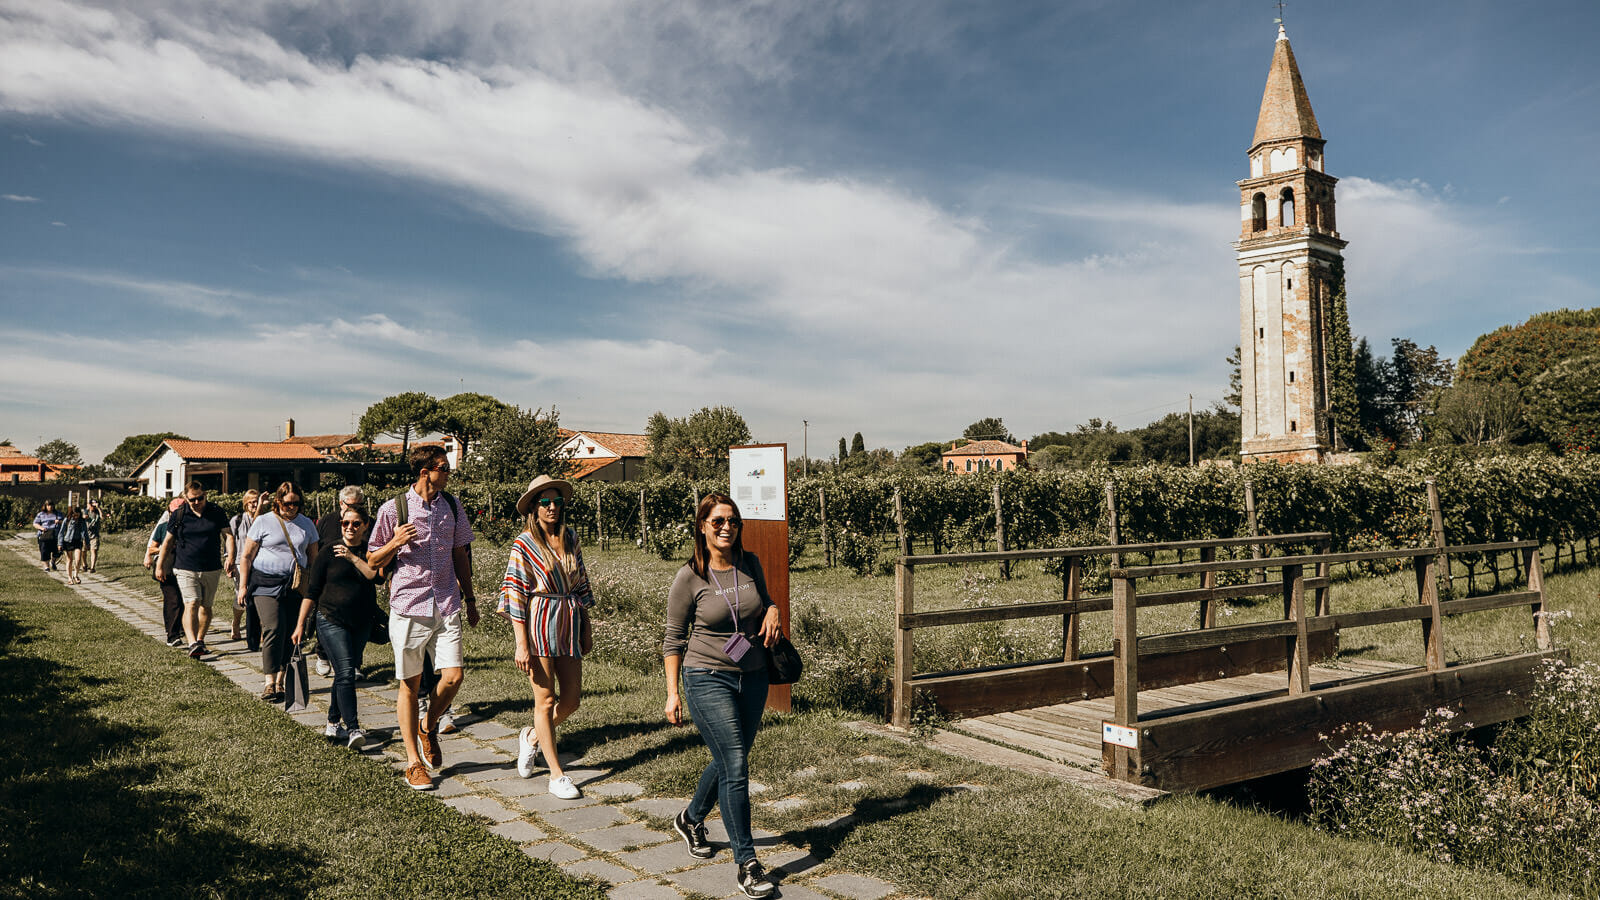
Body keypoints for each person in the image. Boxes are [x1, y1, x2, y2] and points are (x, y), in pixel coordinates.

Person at [662, 494, 784, 899]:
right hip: (706, 676)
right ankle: (747, 863)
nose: (726, 527)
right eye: (717, 521)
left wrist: (773, 611)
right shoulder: (689, 577)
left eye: (732, 521)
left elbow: (764, 601)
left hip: (752, 676)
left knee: (731, 760)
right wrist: (672, 693)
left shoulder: (749, 564)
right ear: (702, 526)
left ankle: (691, 818)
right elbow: (673, 640)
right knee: (735, 764)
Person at [368, 446, 477, 791]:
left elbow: (461, 554)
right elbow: (372, 560)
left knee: (454, 676)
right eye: (443, 468)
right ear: (425, 471)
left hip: (446, 602)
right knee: (410, 686)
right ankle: (413, 762)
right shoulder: (393, 509)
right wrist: (395, 542)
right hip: (408, 606)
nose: (448, 474)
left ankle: (427, 725)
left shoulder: (453, 507)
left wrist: (471, 597)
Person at [500, 475, 594, 799]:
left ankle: (531, 739)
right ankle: (556, 775)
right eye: (545, 502)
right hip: (539, 620)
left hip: (569, 619)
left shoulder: (571, 538)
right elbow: (514, 594)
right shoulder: (524, 543)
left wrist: (587, 626)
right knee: (546, 699)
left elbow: (581, 585)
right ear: (534, 508)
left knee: (571, 700)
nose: (552, 507)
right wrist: (521, 643)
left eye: (556, 501)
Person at [293, 505, 381, 751]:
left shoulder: (370, 551)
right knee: (345, 672)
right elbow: (312, 591)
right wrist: (300, 624)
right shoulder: (328, 550)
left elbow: (375, 576)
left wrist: (353, 557)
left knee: (344, 673)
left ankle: (333, 722)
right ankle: (353, 728)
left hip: (362, 621)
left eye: (355, 523)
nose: (350, 527)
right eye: (345, 523)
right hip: (330, 619)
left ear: (365, 525)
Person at [236, 482, 319, 701]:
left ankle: (282, 681)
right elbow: (246, 556)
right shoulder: (263, 521)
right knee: (273, 628)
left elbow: (313, 559)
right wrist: (243, 586)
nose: (292, 508)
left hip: (295, 586)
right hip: (265, 583)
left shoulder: (307, 524)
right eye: (288, 503)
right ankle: (269, 682)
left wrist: (314, 588)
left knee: (291, 633)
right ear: (278, 502)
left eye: (296, 504)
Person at [156, 481, 235, 659]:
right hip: (185, 567)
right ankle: (192, 643)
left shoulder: (216, 512)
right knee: (192, 602)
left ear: (205, 495)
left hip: (211, 567)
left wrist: (230, 556)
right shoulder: (179, 515)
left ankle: (200, 640)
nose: (197, 502)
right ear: (186, 498)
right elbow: (167, 542)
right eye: (193, 500)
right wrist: (160, 565)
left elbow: (228, 535)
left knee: (206, 606)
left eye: (200, 498)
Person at [313, 486, 368, 677]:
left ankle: (354, 665)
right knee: (329, 620)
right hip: (331, 582)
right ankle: (322, 655)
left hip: (359, 582)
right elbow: (316, 547)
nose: (357, 508)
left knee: (358, 625)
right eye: (352, 505)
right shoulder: (327, 522)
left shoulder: (367, 523)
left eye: (360, 505)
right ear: (341, 504)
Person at [143, 499, 187, 646]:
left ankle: (181, 628)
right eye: (174, 512)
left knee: (183, 601)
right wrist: (165, 548)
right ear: (169, 512)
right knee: (172, 600)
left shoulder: (189, 527)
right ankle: (172, 635)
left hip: (185, 567)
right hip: (166, 567)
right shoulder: (162, 527)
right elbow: (152, 548)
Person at [227, 490, 263, 646]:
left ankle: (259, 629)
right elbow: (230, 540)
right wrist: (228, 559)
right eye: (251, 502)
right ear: (245, 503)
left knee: (259, 596)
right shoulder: (237, 520)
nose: (254, 504)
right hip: (239, 562)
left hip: (259, 562)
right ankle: (236, 622)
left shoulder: (263, 519)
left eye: (257, 501)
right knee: (242, 596)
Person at [56, 506, 89, 584]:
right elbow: (61, 532)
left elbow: (85, 532)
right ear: (72, 514)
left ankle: (76, 575)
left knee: (78, 559)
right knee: (69, 560)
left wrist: (87, 543)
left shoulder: (82, 521)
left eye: (77, 515)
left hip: (78, 541)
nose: (76, 517)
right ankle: (69, 578)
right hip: (68, 541)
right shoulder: (67, 520)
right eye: (74, 515)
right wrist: (60, 544)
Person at [33, 500, 62, 571]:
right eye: (48, 505)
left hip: (55, 535)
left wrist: (59, 521)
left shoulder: (58, 514)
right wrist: (41, 528)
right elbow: (35, 524)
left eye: (52, 505)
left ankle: (53, 561)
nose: (50, 507)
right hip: (45, 534)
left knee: (57, 551)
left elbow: (65, 522)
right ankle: (46, 566)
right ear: (45, 506)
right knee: (44, 551)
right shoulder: (41, 514)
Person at [83, 499, 103, 574]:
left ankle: (92, 567)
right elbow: (81, 516)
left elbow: (102, 517)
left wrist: (99, 508)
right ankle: (84, 564)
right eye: (92, 505)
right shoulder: (85, 511)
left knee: (94, 550)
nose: (93, 507)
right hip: (85, 535)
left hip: (94, 535)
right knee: (83, 551)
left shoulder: (97, 512)